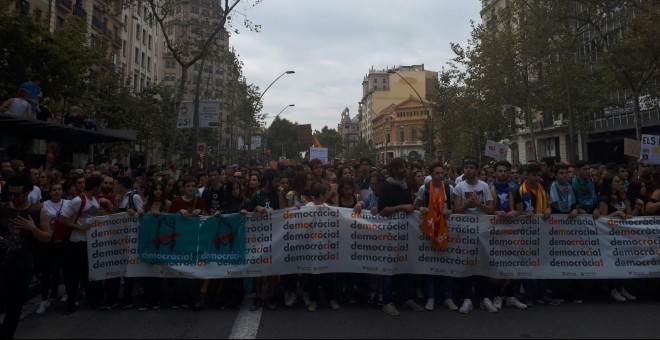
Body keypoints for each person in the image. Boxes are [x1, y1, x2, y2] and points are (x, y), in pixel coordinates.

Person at [0, 175, 51, 339]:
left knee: (14, 308)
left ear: (28, 192)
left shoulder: (37, 212)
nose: (13, 198)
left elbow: (47, 237)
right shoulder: (3, 209)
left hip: (22, 267)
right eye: (11, 194)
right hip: (2, 264)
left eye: (17, 194)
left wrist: (32, 228)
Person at [378, 157, 423, 316]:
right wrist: (402, 207)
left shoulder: (406, 186)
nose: (406, 169)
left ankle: (407, 298)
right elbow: (382, 211)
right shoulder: (386, 186)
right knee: (389, 269)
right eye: (402, 167)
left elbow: (409, 207)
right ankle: (387, 301)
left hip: (405, 233)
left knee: (407, 268)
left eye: (406, 166)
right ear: (395, 169)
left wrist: (416, 209)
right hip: (390, 234)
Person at [57, 176, 108, 314]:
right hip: (75, 243)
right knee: (73, 275)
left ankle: (92, 300)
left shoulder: (94, 201)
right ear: (95, 187)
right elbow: (62, 219)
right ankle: (71, 303)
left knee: (88, 273)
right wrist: (79, 227)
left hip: (89, 242)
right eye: (100, 186)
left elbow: (90, 217)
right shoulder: (78, 201)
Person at [452, 158, 497, 314]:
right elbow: (456, 210)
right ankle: (467, 298)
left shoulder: (484, 186)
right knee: (466, 264)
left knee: (483, 263)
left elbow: (491, 210)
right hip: (465, 231)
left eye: (471, 167)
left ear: (477, 170)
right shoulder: (459, 187)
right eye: (466, 167)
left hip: (483, 231)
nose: (468, 170)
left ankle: (484, 298)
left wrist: (478, 204)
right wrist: (467, 205)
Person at [414, 162, 455, 312]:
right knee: (430, 264)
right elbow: (415, 205)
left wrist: (450, 211)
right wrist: (421, 208)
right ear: (431, 174)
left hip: (444, 229)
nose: (440, 176)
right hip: (429, 230)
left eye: (442, 173)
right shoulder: (424, 189)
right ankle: (430, 297)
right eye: (437, 173)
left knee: (446, 263)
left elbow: (454, 207)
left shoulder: (449, 189)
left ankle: (447, 297)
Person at [304, 183, 340, 312]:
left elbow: (336, 214)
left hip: (326, 245)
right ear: (320, 195)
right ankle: (314, 301)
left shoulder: (326, 206)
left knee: (328, 275)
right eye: (326, 194)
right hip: (313, 246)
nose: (328, 196)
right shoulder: (308, 207)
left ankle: (331, 299)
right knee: (313, 276)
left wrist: (335, 197)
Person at [35, 182, 68, 314]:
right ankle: (44, 299)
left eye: (59, 189)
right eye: (54, 189)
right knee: (46, 271)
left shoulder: (67, 204)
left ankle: (66, 292)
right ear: (50, 192)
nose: (57, 192)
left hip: (63, 241)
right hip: (49, 242)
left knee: (63, 268)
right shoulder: (43, 205)